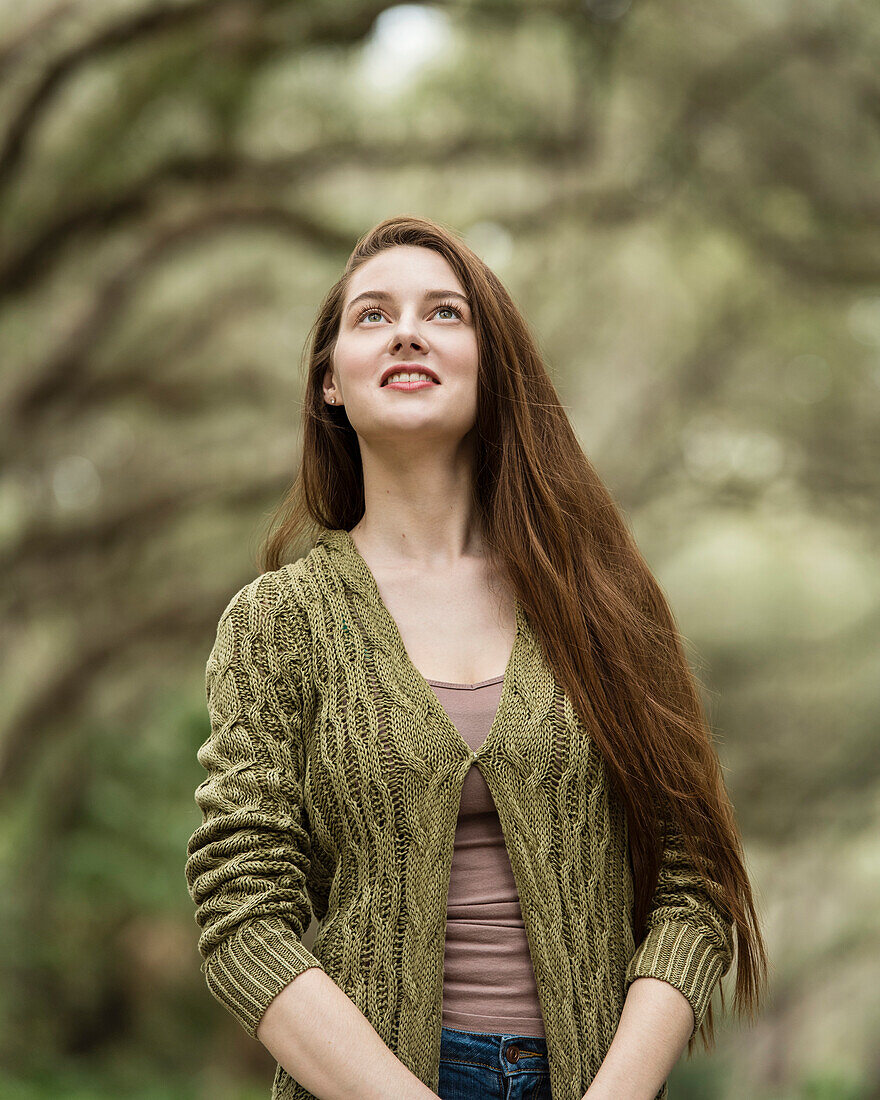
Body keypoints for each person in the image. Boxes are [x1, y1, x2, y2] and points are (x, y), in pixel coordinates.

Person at [185, 215, 768, 1100]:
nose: (408, 330)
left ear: (492, 370)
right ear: (330, 385)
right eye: (372, 316)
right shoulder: (280, 622)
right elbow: (241, 911)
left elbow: (695, 887)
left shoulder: (600, 601)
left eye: (445, 312)